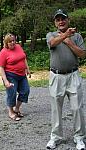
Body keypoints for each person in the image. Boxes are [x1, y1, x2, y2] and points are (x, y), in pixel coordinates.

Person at [46, 9, 86, 150]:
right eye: (58, 20)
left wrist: (69, 41)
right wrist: (65, 36)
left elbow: (82, 55)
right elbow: (52, 44)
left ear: (68, 20)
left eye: (63, 19)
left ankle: (80, 138)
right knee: (56, 109)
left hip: (73, 75)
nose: (61, 21)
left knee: (77, 108)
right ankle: (55, 137)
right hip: (56, 77)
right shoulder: (51, 35)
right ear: (55, 23)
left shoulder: (77, 37)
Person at [0, 33, 30, 121]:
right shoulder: (3, 52)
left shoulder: (18, 47)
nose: (12, 43)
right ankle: (11, 112)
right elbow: (0, 67)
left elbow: (23, 58)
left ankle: (17, 108)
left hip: (22, 74)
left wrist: (27, 68)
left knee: (25, 91)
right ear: (6, 43)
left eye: (13, 41)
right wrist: (5, 81)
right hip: (10, 75)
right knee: (11, 93)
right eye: (10, 42)